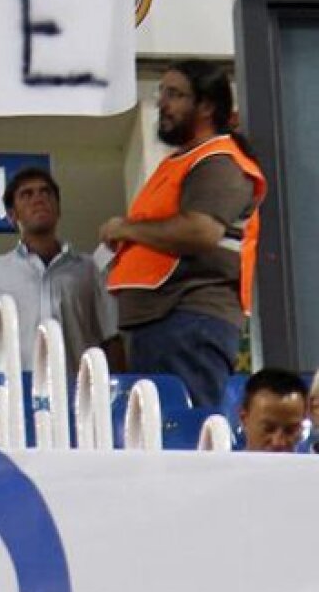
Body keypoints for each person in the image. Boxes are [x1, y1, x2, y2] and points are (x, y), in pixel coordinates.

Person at [101, 60, 265, 409]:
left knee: (185, 442)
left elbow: (201, 230)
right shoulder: (184, 161)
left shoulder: (219, 161)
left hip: (187, 321)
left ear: (206, 106)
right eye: (162, 93)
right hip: (163, 324)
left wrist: (125, 228)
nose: (162, 102)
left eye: (174, 94)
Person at [0, 166, 122, 373]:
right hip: (13, 399)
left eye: (46, 192)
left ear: (58, 209)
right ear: (11, 215)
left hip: (79, 396)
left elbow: (111, 338)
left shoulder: (91, 269)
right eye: (26, 195)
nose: (38, 199)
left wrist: (117, 397)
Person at [240, 368, 308, 453]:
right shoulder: (222, 466)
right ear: (244, 419)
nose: (278, 443)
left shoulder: (313, 466)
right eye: (268, 429)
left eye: (290, 431)